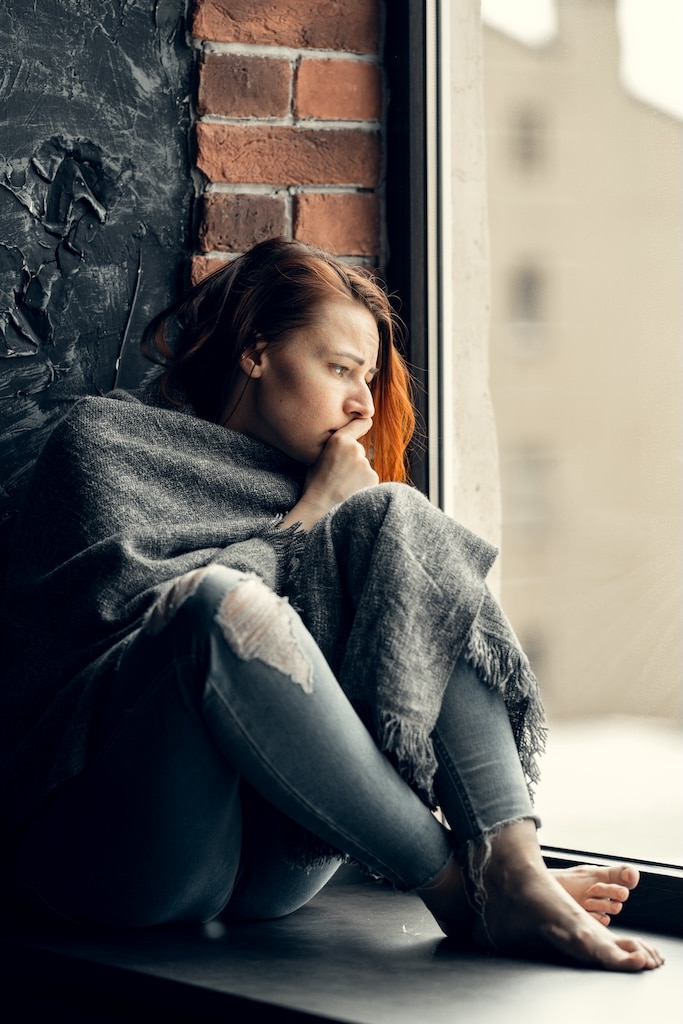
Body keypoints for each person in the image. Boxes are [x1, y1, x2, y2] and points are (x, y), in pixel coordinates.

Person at [0, 238, 662, 972]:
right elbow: (135, 636)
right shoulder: (104, 444)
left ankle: (511, 867)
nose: (362, 403)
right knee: (216, 605)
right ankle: (455, 891)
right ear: (256, 353)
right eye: (339, 368)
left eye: (369, 377)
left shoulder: (335, 492)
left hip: (275, 873)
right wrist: (308, 515)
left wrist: (332, 511)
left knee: (403, 522)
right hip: (113, 851)